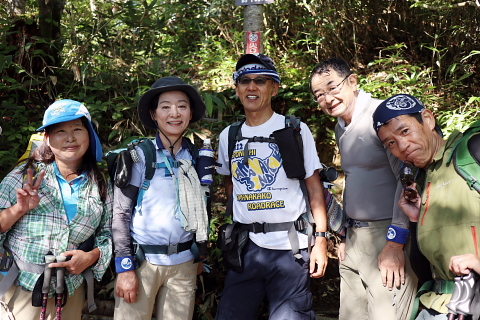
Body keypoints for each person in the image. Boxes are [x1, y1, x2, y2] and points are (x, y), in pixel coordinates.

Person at [215, 53, 328, 320]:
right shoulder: (229, 136)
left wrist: (321, 240)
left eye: (260, 81)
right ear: (237, 89)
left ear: (274, 88)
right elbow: (230, 185)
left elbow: (314, 189)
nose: (251, 87)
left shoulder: (295, 130)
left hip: (291, 248)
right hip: (246, 249)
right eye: (245, 81)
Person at [309, 57, 417, 320]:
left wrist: (395, 243)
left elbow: (407, 182)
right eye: (319, 94)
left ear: (353, 82)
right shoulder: (340, 126)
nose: (327, 98)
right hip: (354, 238)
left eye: (332, 87)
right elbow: (356, 178)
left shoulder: (381, 118)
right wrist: (345, 234)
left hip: (387, 236)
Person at [0, 99, 113, 319]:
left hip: (70, 292)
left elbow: (108, 234)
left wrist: (90, 257)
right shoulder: (23, 176)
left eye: (77, 130)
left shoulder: (99, 184)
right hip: (21, 288)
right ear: (48, 139)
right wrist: (18, 209)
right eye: (60, 131)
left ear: (89, 135)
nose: (70, 138)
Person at [373, 93, 480, 319]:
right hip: (439, 305)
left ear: (428, 120)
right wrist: (414, 221)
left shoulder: (472, 152)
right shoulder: (423, 180)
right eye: (391, 143)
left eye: (405, 131)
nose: (402, 146)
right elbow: (425, 272)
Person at [112, 76, 209, 320]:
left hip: (184, 265)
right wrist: (124, 268)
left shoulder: (198, 157)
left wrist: (200, 254)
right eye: (165, 106)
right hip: (142, 262)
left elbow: (203, 208)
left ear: (190, 113)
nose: (174, 113)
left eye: (182, 106)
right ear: (154, 115)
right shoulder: (140, 155)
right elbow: (121, 213)